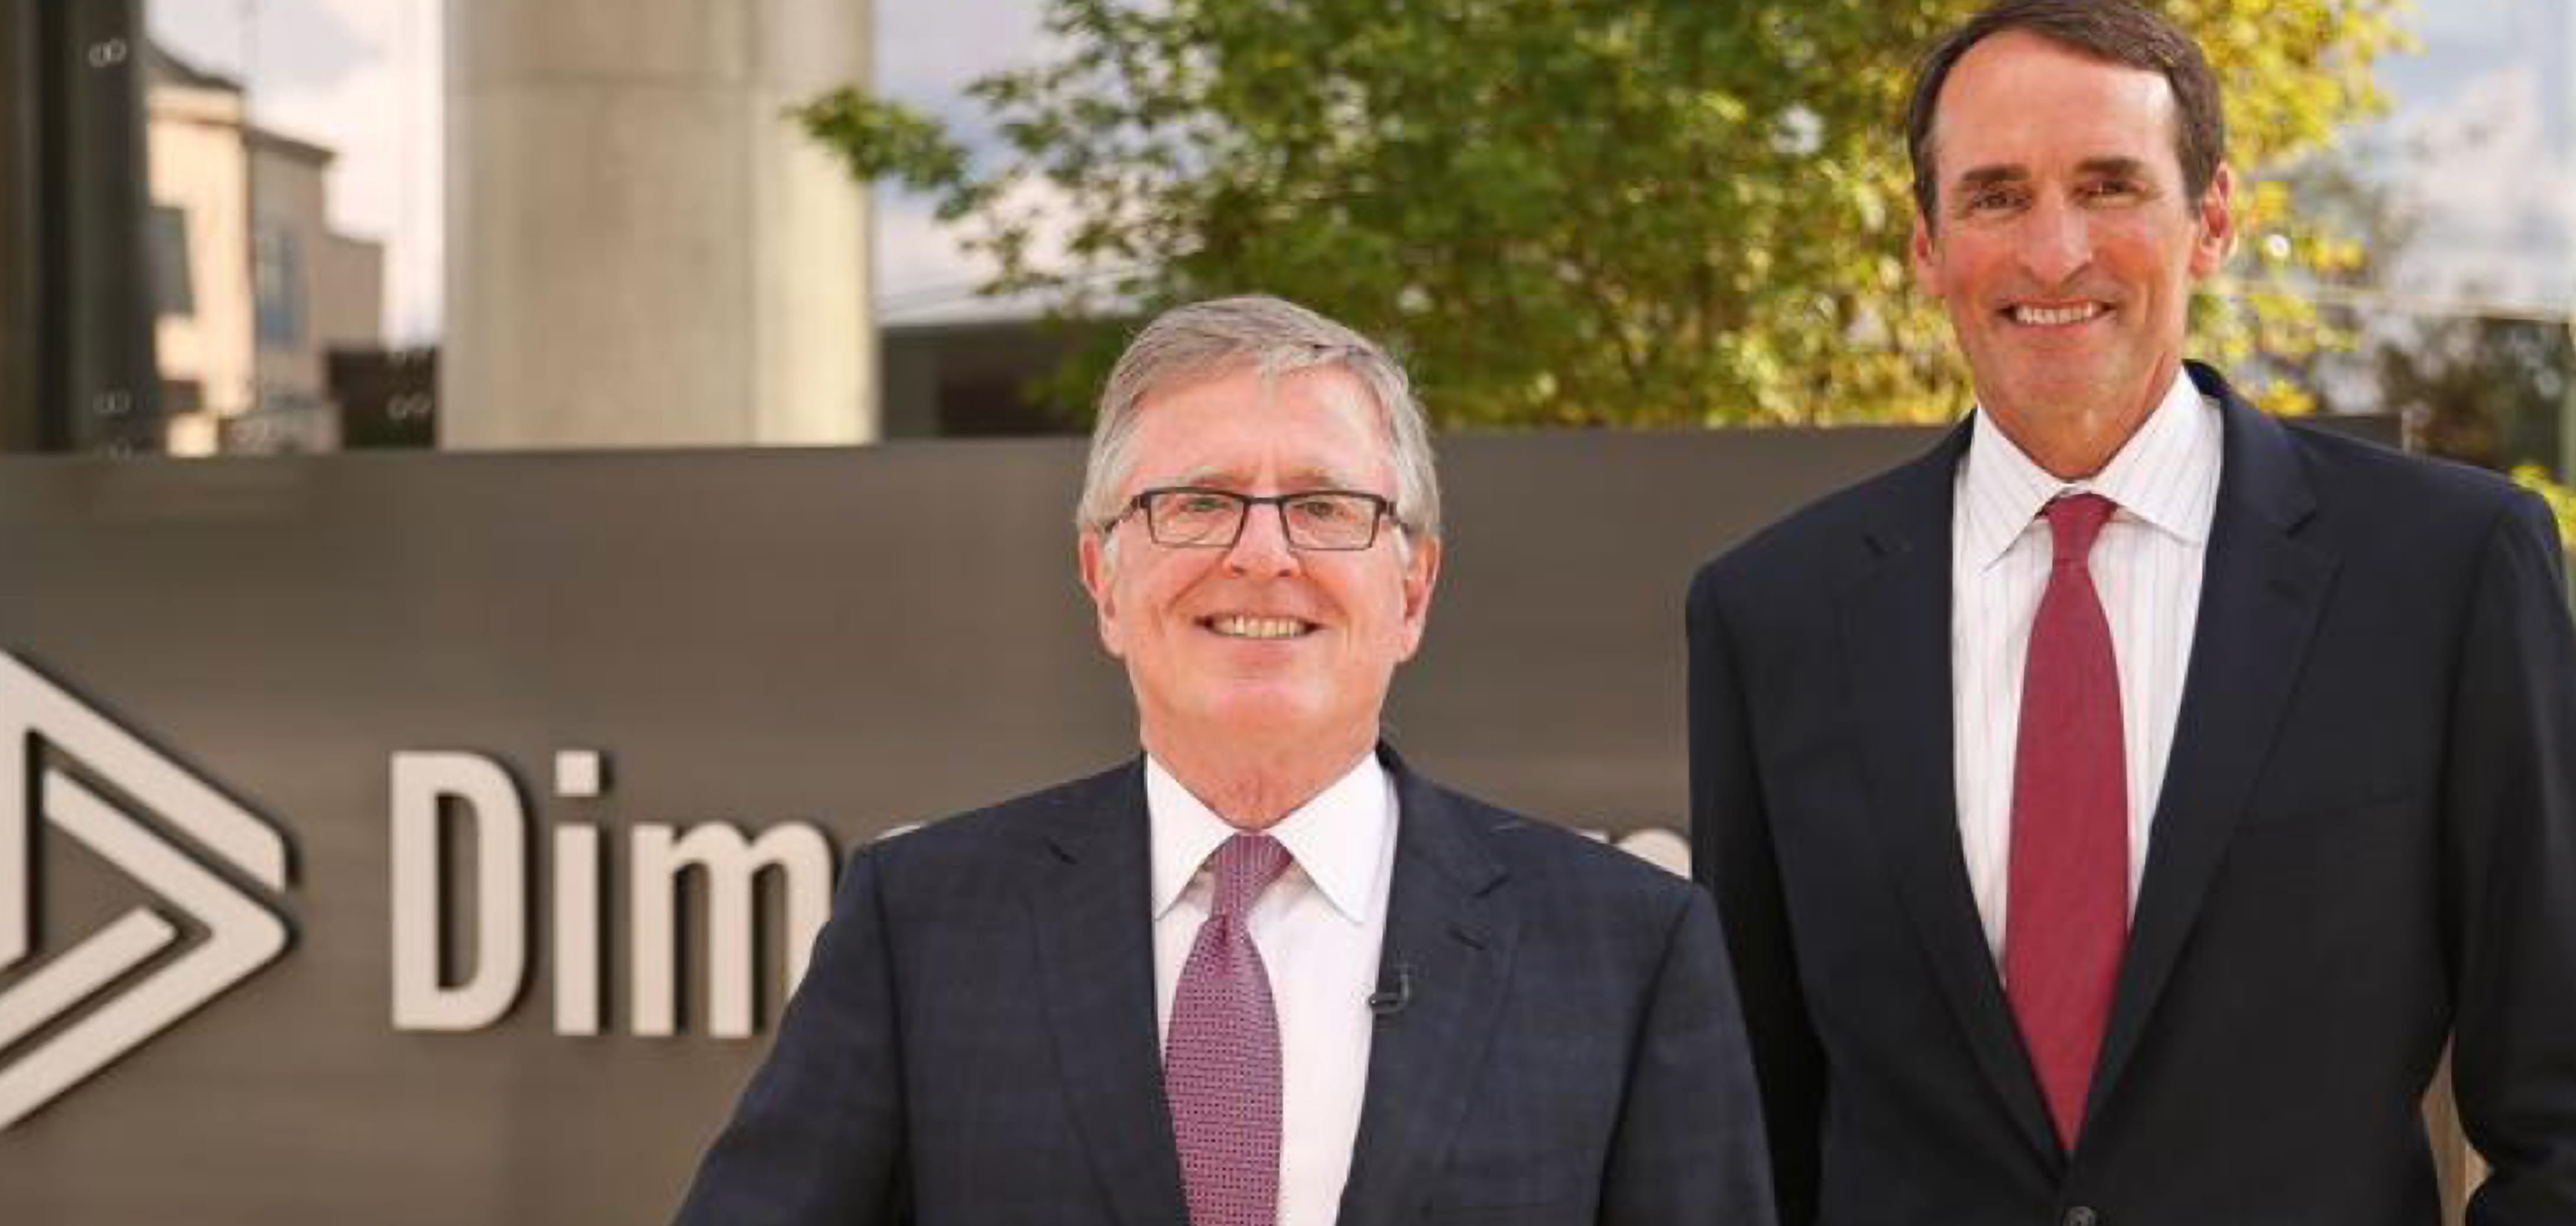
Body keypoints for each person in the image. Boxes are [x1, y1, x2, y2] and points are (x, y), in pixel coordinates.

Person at [1686, 1, 2576, 1222]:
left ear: (2212, 219)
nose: (2054, 252)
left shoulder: (2443, 569)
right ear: (1925, 246)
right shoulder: (1771, 612)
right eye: (1996, 196)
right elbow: (1748, 1124)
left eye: (2109, 185)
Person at [679, 295, 1773, 1225]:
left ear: (1415, 591)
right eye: (1197, 503)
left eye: (1324, 505)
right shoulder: (919, 923)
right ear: (1104, 581)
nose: (1262, 554)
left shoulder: (1628, 950)